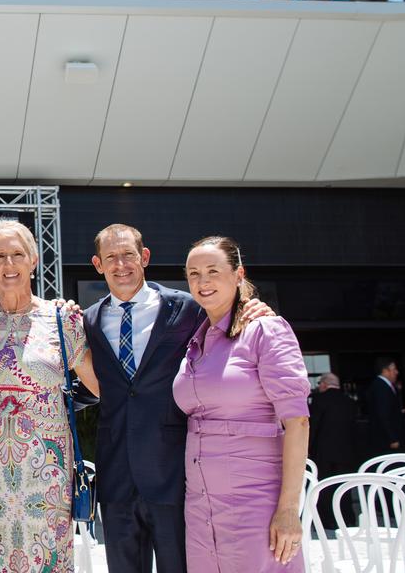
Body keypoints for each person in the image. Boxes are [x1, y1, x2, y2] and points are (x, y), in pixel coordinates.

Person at [81, 224, 271, 573]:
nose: (121, 264)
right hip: (116, 475)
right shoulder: (88, 321)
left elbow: (228, 327)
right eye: (111, 258)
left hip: (173, 471)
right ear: (98, 264)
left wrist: (255, 309)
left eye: (128, 255)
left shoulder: (188, 309)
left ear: (145, 257)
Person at [0, 220, 100, 573]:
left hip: (45, 474)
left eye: (18, 254)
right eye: (0, 256)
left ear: (34, 259)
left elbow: (100, 386)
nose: (9, 265)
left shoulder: (61, 318)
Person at [173, 236, 309, 572]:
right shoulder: (195, 341)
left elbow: (297, 422)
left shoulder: (266, 330)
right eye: (193, 274)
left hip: (255, 501)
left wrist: (289, 509)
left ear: (238, 274)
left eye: (212, 271)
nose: (202, 282)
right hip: (201, 507)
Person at [308, 373, 356, 528]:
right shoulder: (349, 402)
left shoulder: (319, 400)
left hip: (324, 451)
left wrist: (308, 447)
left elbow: (313, 425)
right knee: (344, 486)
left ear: (324, 384)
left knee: (324, 486)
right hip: (346, 451)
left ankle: (326, 521)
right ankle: (347, 519)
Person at [364, 358, 404, 455]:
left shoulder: (384, 386)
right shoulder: (381, 387)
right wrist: (392, 438)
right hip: (385, 440)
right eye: (394, 369)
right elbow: (383, 414)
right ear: (385, 371)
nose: (397, 372)